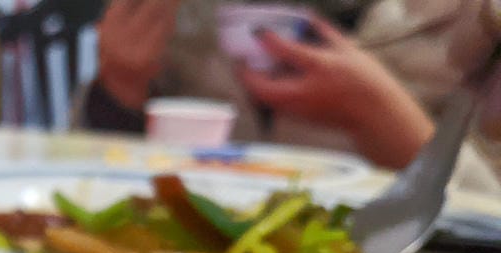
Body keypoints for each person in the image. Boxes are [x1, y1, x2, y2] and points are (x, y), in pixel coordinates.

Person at [83, 0, 500, 191]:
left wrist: (385, 119)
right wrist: (119, 89)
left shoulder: (479, 21)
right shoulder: (179, 14)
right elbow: (85, 177)